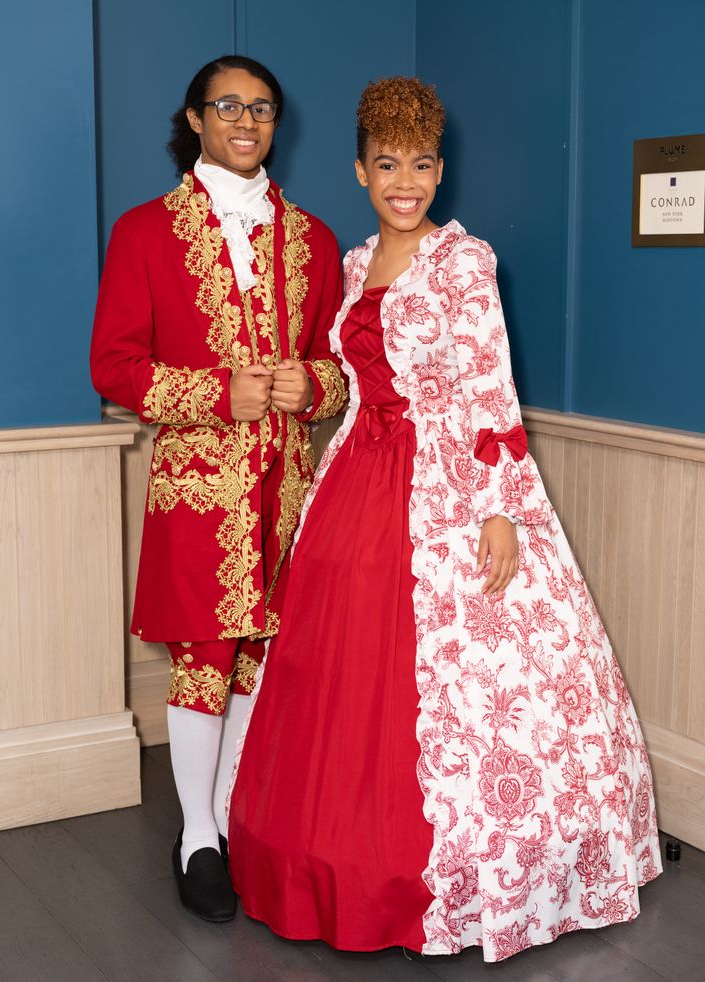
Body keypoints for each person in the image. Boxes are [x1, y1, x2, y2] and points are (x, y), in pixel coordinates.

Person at [228, 76, 662, 960]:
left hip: (449, 484)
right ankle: (323, 865)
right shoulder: (354, 266)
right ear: (359, 170)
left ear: (439, 169)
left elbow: (487, 387)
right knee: (337, 676)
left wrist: (500, 512)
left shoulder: (464, 262)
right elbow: (354, 379)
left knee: (467, 689)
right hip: (358, 475)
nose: (405, 182)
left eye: (422, 164)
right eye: (387, 164)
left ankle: (479, 873)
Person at [90, 55, 346, 922]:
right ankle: (198, 834)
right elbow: (114, 366)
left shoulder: (311, 238)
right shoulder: (144, 232)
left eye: (263, 108)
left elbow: (339, 369)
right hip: (196, 487)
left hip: (289, 487)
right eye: (228, 106)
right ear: (194, 118)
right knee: (203, 657)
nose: (247, 121)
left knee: (261, 661)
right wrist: (214, 392)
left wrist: (311, 388)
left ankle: (237, 818)